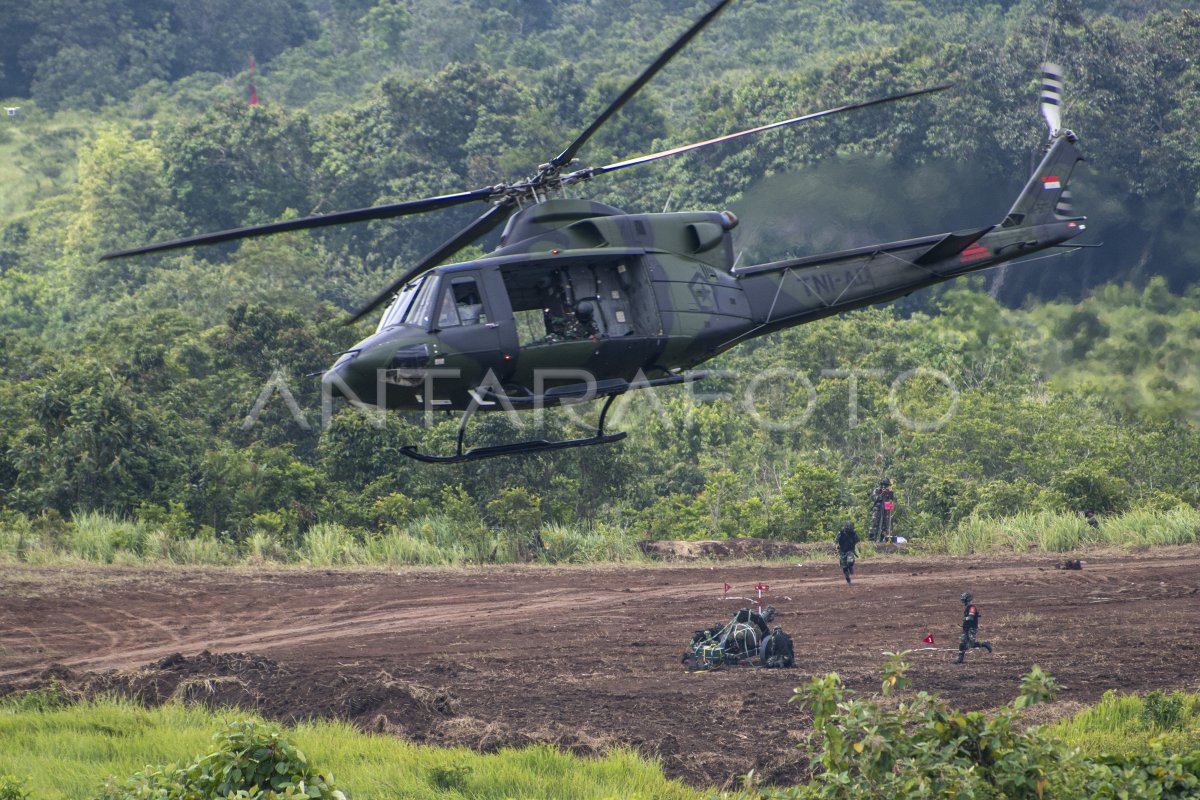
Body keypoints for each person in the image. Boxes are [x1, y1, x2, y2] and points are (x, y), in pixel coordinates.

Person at [955, 592, 993, 663]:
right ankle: (960, 659)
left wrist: (965, 619)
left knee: (971, 644)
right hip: (966, 628)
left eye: (964, 600)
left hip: (971, 628)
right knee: (962, 643)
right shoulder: (968, 607)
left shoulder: (972, 608)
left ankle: (984, 644)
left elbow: (970, 617)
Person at [834, 521, 858, 585]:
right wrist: (837, 546)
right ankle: (848, 580)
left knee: (850, 562)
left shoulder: (853, 534)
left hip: (850, 550)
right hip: (842, 551)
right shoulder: (840, 533)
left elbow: (857, 541)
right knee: (844, 567)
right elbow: (836, 541)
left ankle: (850, 567)